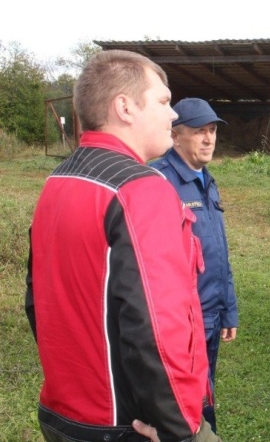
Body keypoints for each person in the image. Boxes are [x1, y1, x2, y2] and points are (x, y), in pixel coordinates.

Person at [25, 50, 221, 442]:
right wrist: (179, 429)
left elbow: (38, 303)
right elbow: (155, 332)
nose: (172, 115)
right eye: (164, 102)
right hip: (126, 426)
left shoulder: (57, 180)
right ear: (125, 107)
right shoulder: (142, 190)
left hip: (64, 417)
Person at [150, 98, 239, 433]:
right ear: (175, 137)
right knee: (182, 401)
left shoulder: (206, 179)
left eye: (213, 130)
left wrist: (228, 308)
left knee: (205, 392)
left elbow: (218, 250)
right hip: (183, 322)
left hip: (211, 314)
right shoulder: (159, 181)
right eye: (199, 131)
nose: (208, 139)